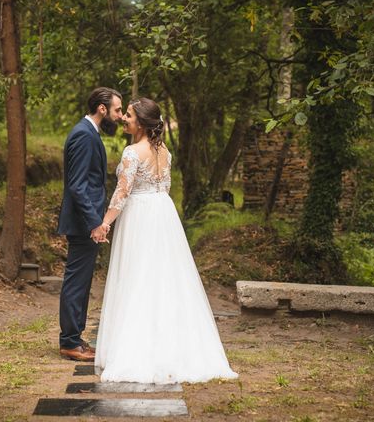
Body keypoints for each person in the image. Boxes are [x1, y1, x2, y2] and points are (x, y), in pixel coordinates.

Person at [94, 97, 238, 383]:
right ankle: (172, 345)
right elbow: (166, 187)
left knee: (137, 279)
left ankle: (137, 350)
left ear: (144, 123)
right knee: (165, 279)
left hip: (139, 217)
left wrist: (104, 224)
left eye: (131, 116)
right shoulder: (165, 152)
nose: (125, 119)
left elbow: (122, 194)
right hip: (163, 214)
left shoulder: (132, 153)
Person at [57, 87, 123, 362]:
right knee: (76, 282)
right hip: (84, 223)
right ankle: (69, 342)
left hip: (86, 222)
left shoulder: (89, 133)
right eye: (118, 110)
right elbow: (78, 186)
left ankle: (76, 339)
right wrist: (95, 223)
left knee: (82, 283)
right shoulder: (84, 136)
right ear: (102, 108)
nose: (120, 116)